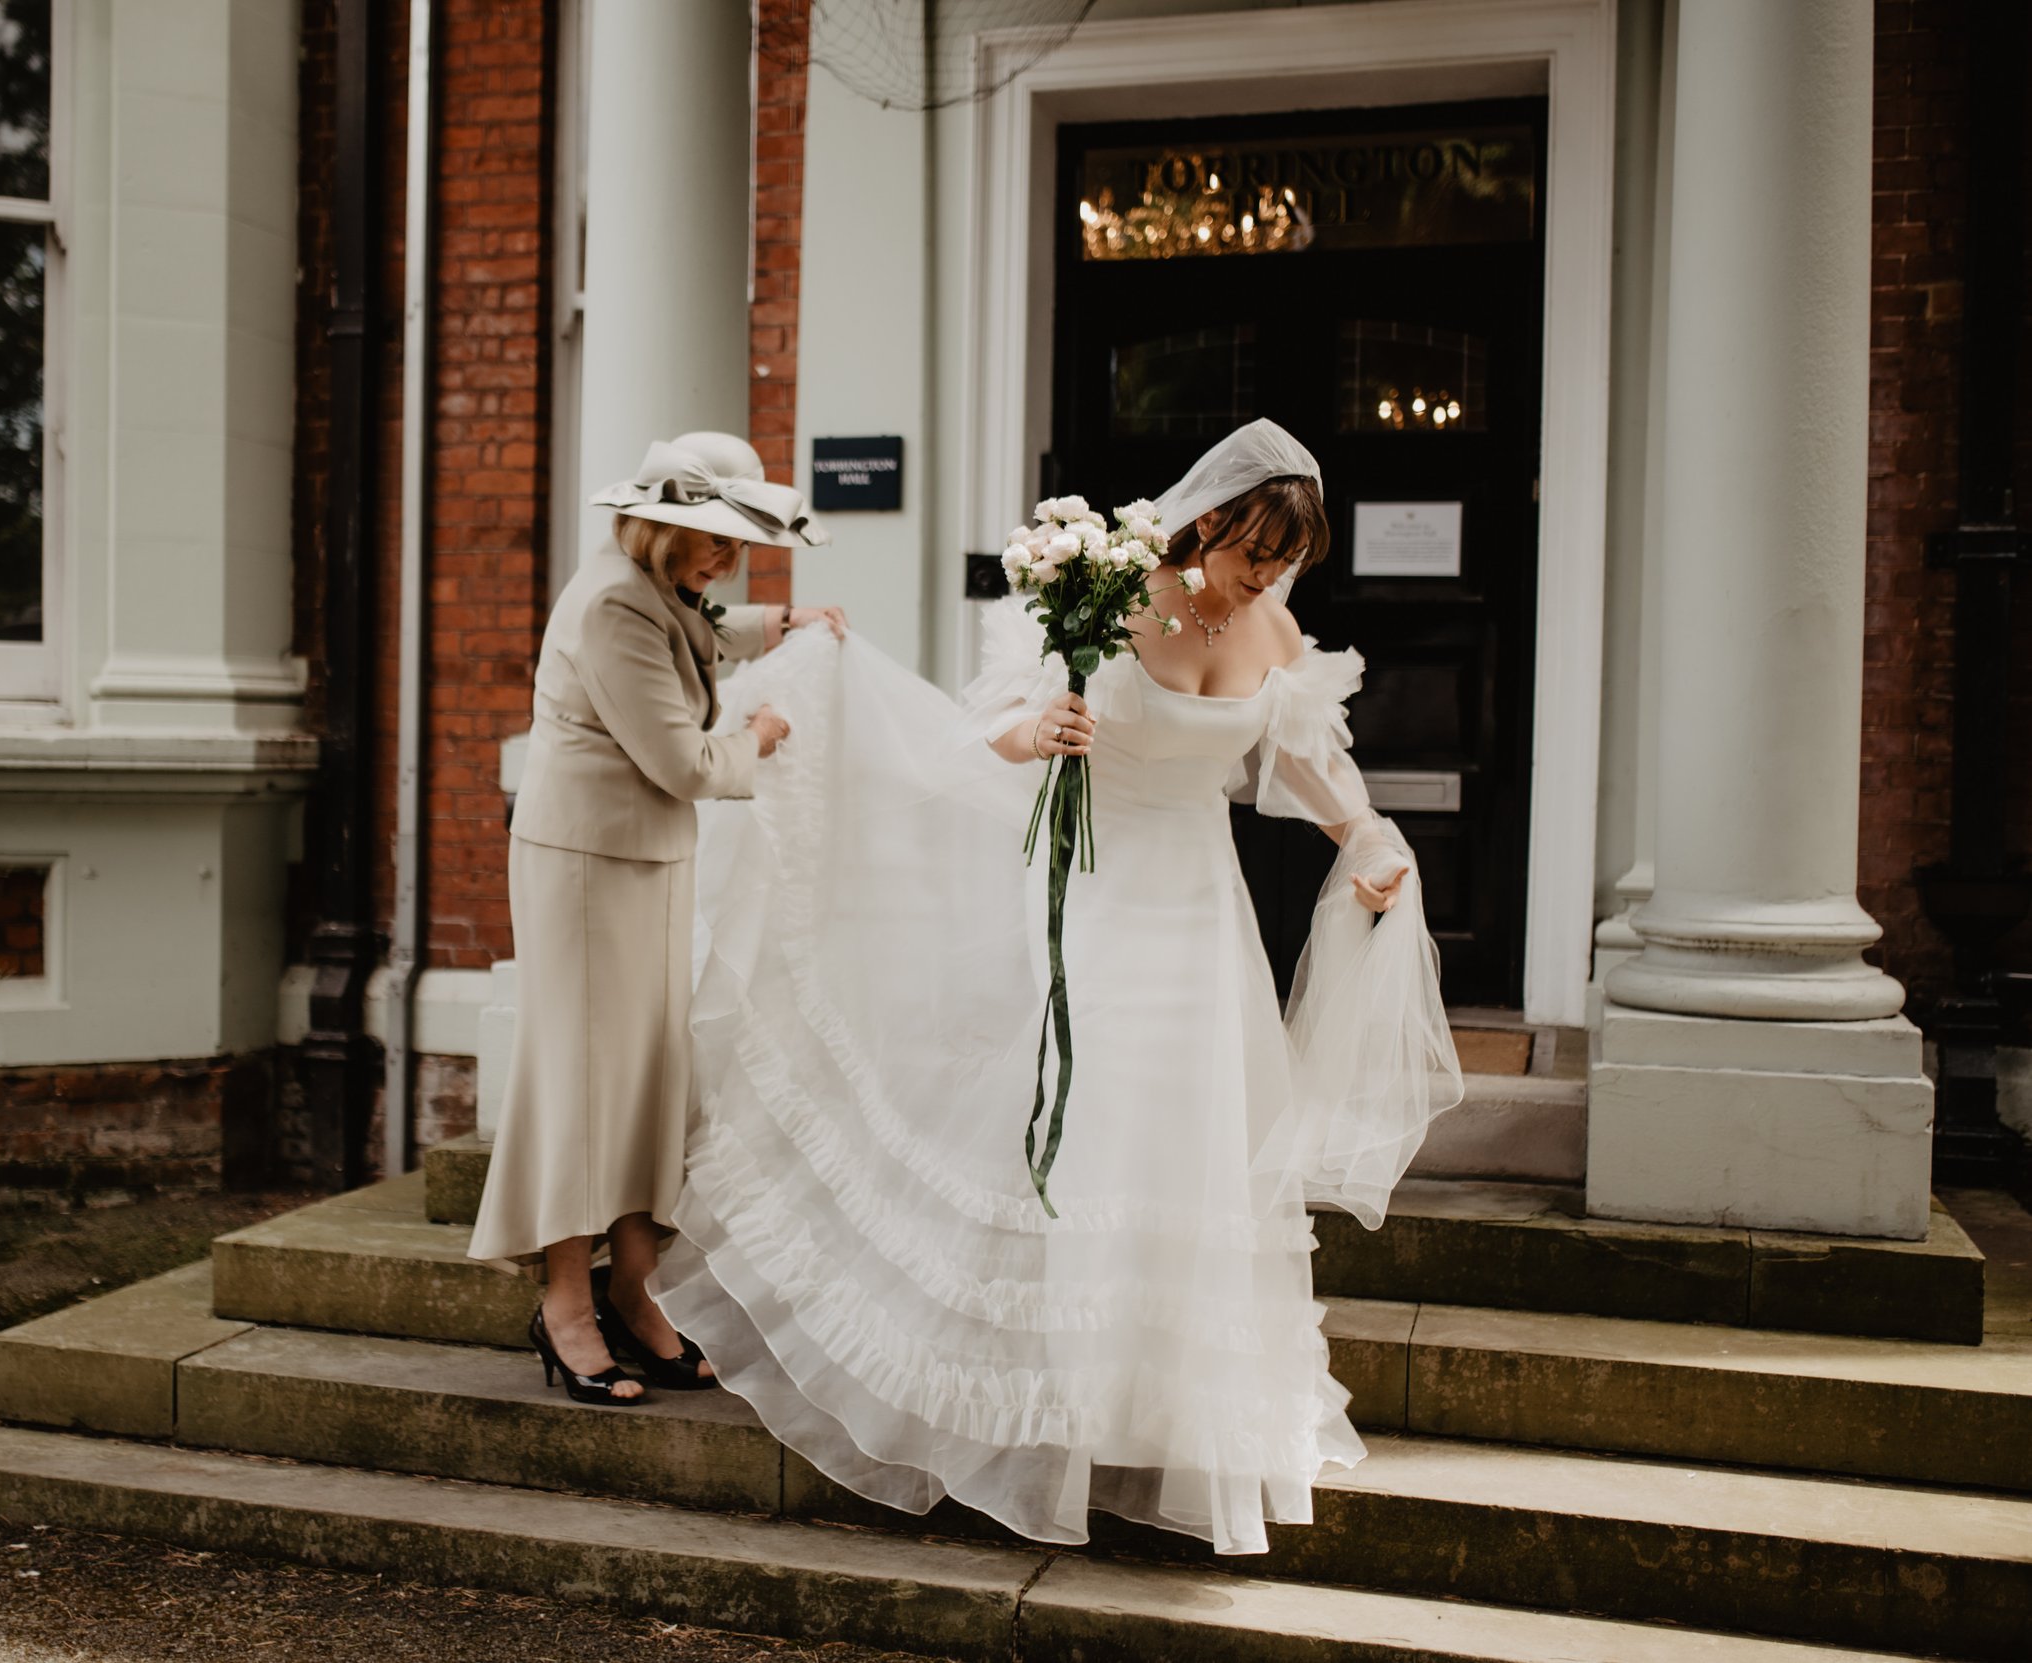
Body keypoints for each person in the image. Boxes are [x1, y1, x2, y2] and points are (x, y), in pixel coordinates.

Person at [652, 418, 1460, 1551]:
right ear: (1209, 524)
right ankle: (1053, 1411)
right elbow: (971, 735)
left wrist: (1365, 838)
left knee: (1188, 1136)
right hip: (1094, 894)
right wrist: (1036, 731)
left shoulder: (1270, 626)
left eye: (1282, 568)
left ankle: (1165, 1409)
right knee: (1089, 1127)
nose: (1262, 582)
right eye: (1250, 557)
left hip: (1199, 912)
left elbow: (1308, 759)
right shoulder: (1101, 596)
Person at [468, 430, 843, 1406]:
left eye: (737, 547)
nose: (727, 560)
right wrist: (757, 734)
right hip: (586, 868)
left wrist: (782, 621)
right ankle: (567, 1308)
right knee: (584, 1086)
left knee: (646, 1081)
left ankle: (637, 1297)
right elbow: (682, 762)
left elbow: (704, 631)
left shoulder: (656, 594)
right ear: (660, 523)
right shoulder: (609, 608)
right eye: (713, 540)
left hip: (645, 858)